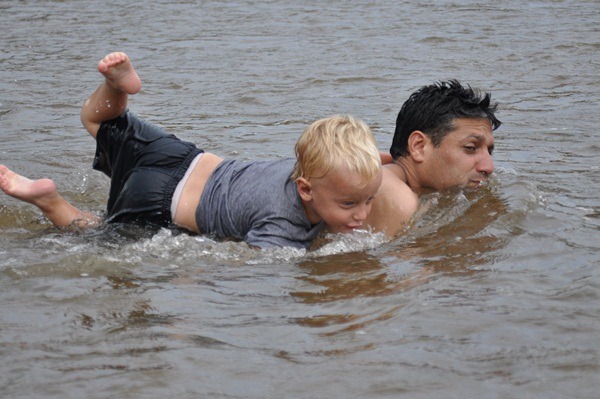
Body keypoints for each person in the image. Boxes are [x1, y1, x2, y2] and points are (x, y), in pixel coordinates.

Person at [0, 52, 382, 250]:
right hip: (158, 201)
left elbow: (353, 167)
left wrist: (377, 163)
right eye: (350, 204)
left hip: (178, 156)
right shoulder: (284, 224)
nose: (362, 214)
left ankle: (116, 89)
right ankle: (50, 201)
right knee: (99, 233)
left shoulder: (317, 167)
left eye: (368, 199)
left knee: (98, 122)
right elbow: (254, 263)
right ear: (305, 190)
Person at [366, 79, 501, 237]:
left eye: (489, 151)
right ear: (418, 146)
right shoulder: (398, 200)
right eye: (470, 148)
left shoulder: (382, 173)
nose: (489, 167)